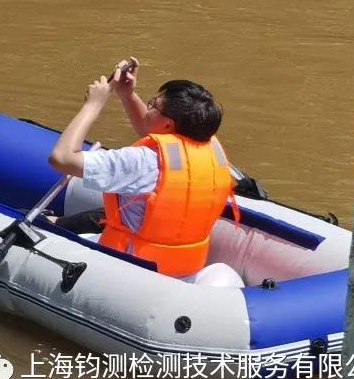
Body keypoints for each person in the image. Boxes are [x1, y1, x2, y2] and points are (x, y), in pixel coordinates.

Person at [46, 57, 236, 278]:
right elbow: (155, 134)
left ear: (168, 125)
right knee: (98, 216)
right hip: (181, 267)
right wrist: (127, 94)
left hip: (129, 269)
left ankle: (47, 221)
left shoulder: (141, 162)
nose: (148, 107)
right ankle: (54, 221)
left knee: (33, 222)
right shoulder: (209, 150)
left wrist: (93, 105)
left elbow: (61, 158)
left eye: (153, 105)